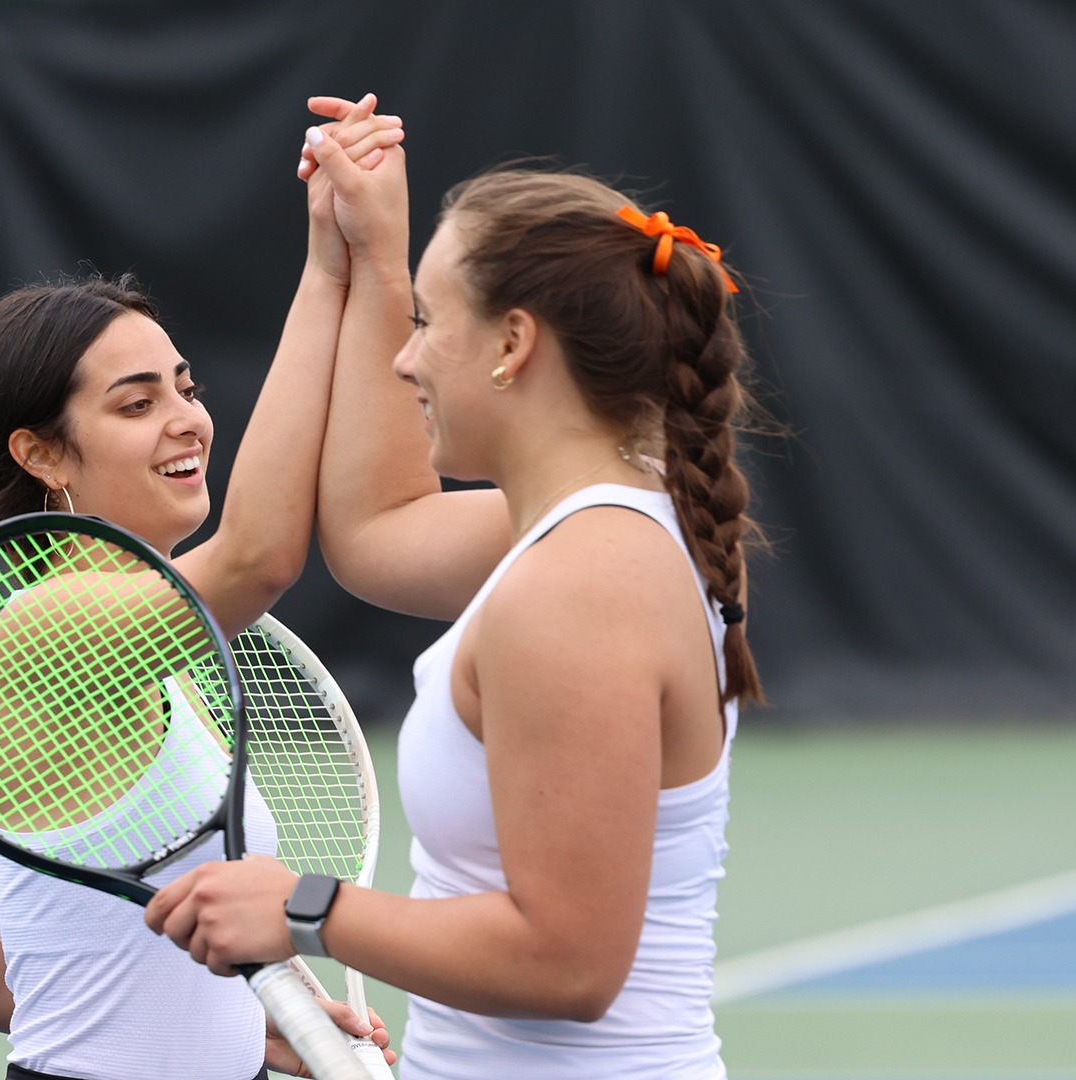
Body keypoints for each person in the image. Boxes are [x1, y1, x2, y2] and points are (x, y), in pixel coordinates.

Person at [145, 101, 766, 1079]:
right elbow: (377, 529)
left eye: (428, 324)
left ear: (513, 343)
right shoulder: (609, 524)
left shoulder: (578, 587)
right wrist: (374, 258)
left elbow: (568, 962)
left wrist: (304, 908)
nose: (403, 355)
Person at [0, 95, 403, 1080]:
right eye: (136, 402)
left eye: (186, 387)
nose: (188, 419)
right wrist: (336, 268)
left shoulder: (153, 662)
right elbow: (259, 558)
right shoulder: (48, 626)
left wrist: (256, 1024)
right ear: (43, 453)